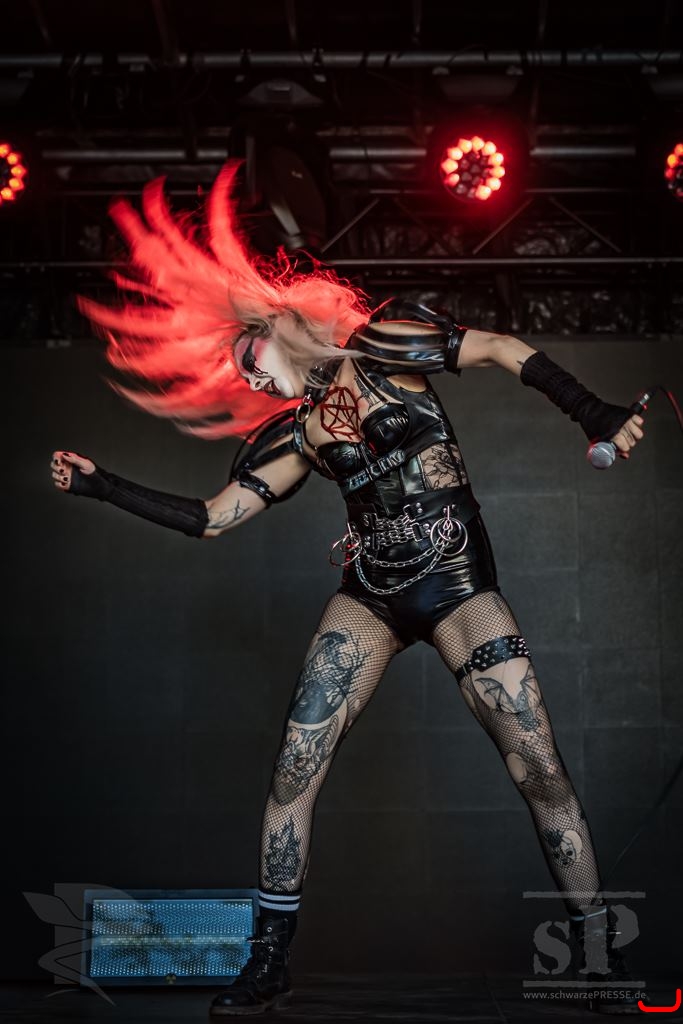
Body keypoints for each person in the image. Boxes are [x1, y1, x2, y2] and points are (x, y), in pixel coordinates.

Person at [51, 162, 649, 1016]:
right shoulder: (294, 433)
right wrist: (103, 485)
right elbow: (213, 518)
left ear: (277, 325)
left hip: (456, 586)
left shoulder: (387, 346)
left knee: (539, 768)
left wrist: (590, 412)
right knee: (294, 767)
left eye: (248, 360)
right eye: (239, 377)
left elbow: (498, 348)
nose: (248, 380)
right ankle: (268, 963)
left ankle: (595, 957)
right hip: (369, 596)